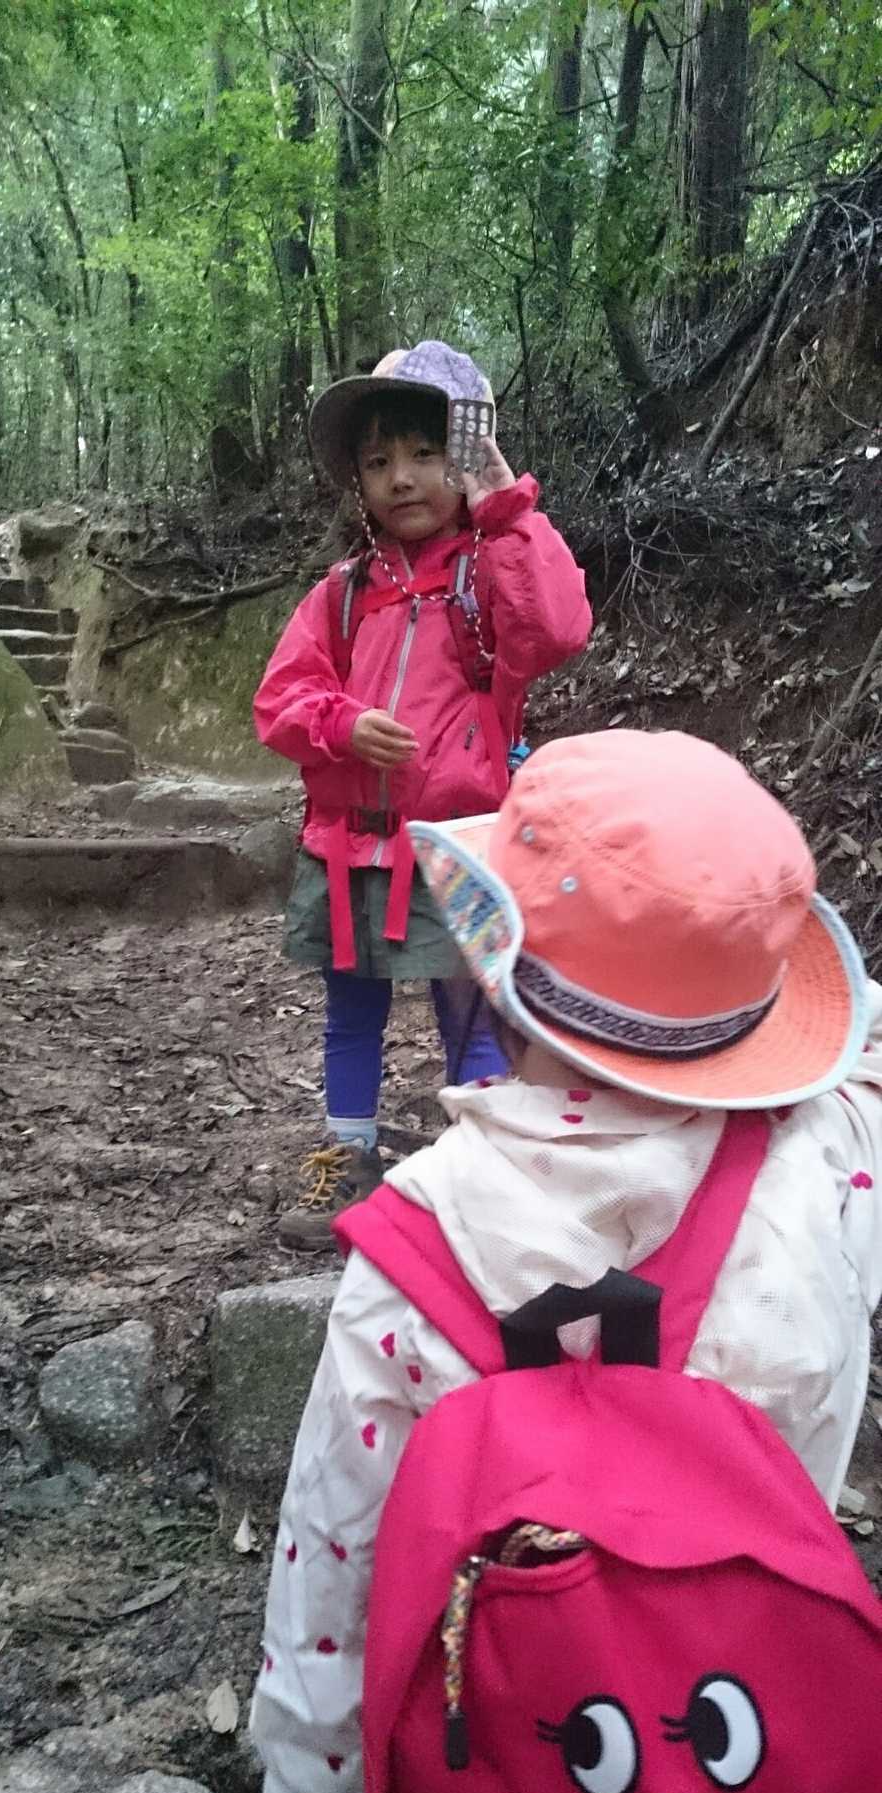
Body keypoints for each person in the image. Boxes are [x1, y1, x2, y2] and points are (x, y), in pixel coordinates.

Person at [249, 727, 882, 1793]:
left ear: (493, 987)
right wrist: (728, 948)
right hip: (750, 1709)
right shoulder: (832, 1166)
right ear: (764, 1019)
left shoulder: (421, 1239)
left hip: (505, 1761)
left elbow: (337, 1546)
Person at [253, 341, 591, 1250]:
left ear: (464, 459)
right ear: (356, 482)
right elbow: (280, 700)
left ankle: (480, 1166)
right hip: (350, 843)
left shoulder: (490, 574)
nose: (400, 477)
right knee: (351, 1010)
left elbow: (557, 630)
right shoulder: (342, 593)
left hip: (460, 845)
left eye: (424, 453)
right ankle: (348, 1157)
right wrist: (339, 724)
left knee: (470, 1011)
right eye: (377, 461)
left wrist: (505, 504)